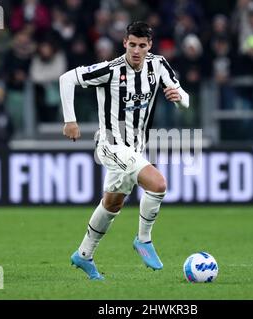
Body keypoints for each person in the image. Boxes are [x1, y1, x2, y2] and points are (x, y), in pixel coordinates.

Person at [59, 21, 190, 280]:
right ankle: (144, 240)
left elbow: (184, 97)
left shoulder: (158, 65)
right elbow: (67, 78)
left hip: (135, 148)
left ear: (149, 45)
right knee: (158, 183)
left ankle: (83, 255)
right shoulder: (110, 69)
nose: (137, 50)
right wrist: (70, 120)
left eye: (142, 45)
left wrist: (180, 99)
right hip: (109, 144)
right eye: (132, 45)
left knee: (112, 203)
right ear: (125, 43)